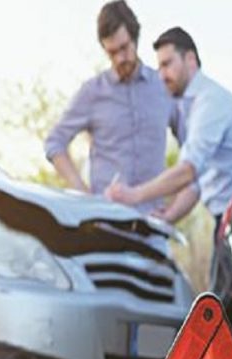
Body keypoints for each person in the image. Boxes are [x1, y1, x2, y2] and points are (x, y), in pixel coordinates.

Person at [105, 26, 232, 234]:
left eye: (167, 64)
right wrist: (170, 216)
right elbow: (197, 182)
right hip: (230, 219)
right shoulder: (192, 107)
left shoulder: (210, 102)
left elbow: (187, 171)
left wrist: (133, 195)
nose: (161, 76)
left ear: (190, 60)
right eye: (159, 68)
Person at [44, 1, 174, 213]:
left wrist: (174, 207)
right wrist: (83, 195)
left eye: (124, 48)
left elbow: (192, 151)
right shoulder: (92, 93)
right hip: (105, 221)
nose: (120, 58)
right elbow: (54, 143)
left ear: (135, 38)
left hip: (153, 224)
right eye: (112, 52)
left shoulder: (164, 87)